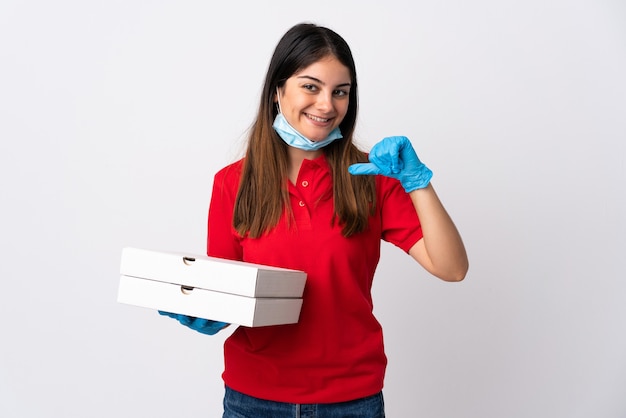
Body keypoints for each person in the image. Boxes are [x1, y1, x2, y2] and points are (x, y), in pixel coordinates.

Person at [160, 22, 468, 417]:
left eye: (340, 92)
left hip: (351, 401)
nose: (326, 105)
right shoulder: (231, 183)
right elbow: (228, 293)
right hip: (252, 399)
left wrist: (417, 183)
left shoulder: (372, 179)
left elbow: (452, 268)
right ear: (277, 90)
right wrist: (204, 311)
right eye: (311, 86)